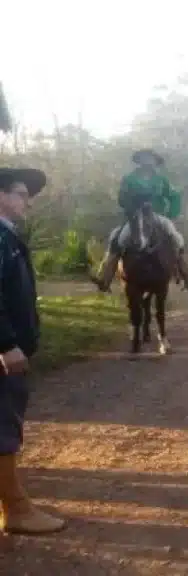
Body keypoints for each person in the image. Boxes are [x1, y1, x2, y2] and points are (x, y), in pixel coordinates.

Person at [0, 167, 66, 535]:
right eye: (22, 194)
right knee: (3, 423)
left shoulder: (7, 237)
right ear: (1, 196)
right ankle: (16, 509)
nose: (28, 202)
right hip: (3, 354)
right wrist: (6, 344)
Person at [90, 149, 188, 292]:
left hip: (157, 215)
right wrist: (131, 206)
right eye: (144, 158)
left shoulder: (161, 180)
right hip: (134, 216)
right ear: (139, 161)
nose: (147, 161)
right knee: (116, 237)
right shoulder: (129, 179)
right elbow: (122, 198)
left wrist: (171, 214)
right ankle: (105, 277)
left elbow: (174, 196)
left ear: (155, 162)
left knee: (176, 237)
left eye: (150, 159)